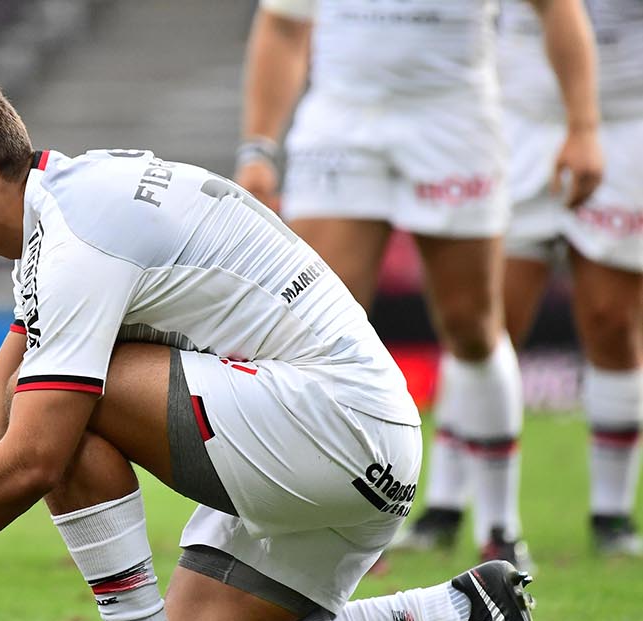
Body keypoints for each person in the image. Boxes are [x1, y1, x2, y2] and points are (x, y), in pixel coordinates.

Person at [0, 79, 558, 621]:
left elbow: (29, 454)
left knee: (56, 410)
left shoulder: (78, 237)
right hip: (355, 442)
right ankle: (457, 610)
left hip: (330, 426)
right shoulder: (67, 210)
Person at [233, 0, 602, 566]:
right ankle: (337, 519)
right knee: (311, 329)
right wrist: (258, 146)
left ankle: (501, 528)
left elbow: (558, 9)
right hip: (341, 120)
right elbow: (283, 24)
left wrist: (583, 127)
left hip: (452, 121)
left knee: (473, 326)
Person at [401, 0, 643, 557]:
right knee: (483, 321)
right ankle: (444, 506)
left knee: (612, 318)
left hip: (624, 124)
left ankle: (612, 517)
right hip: (517, 122)